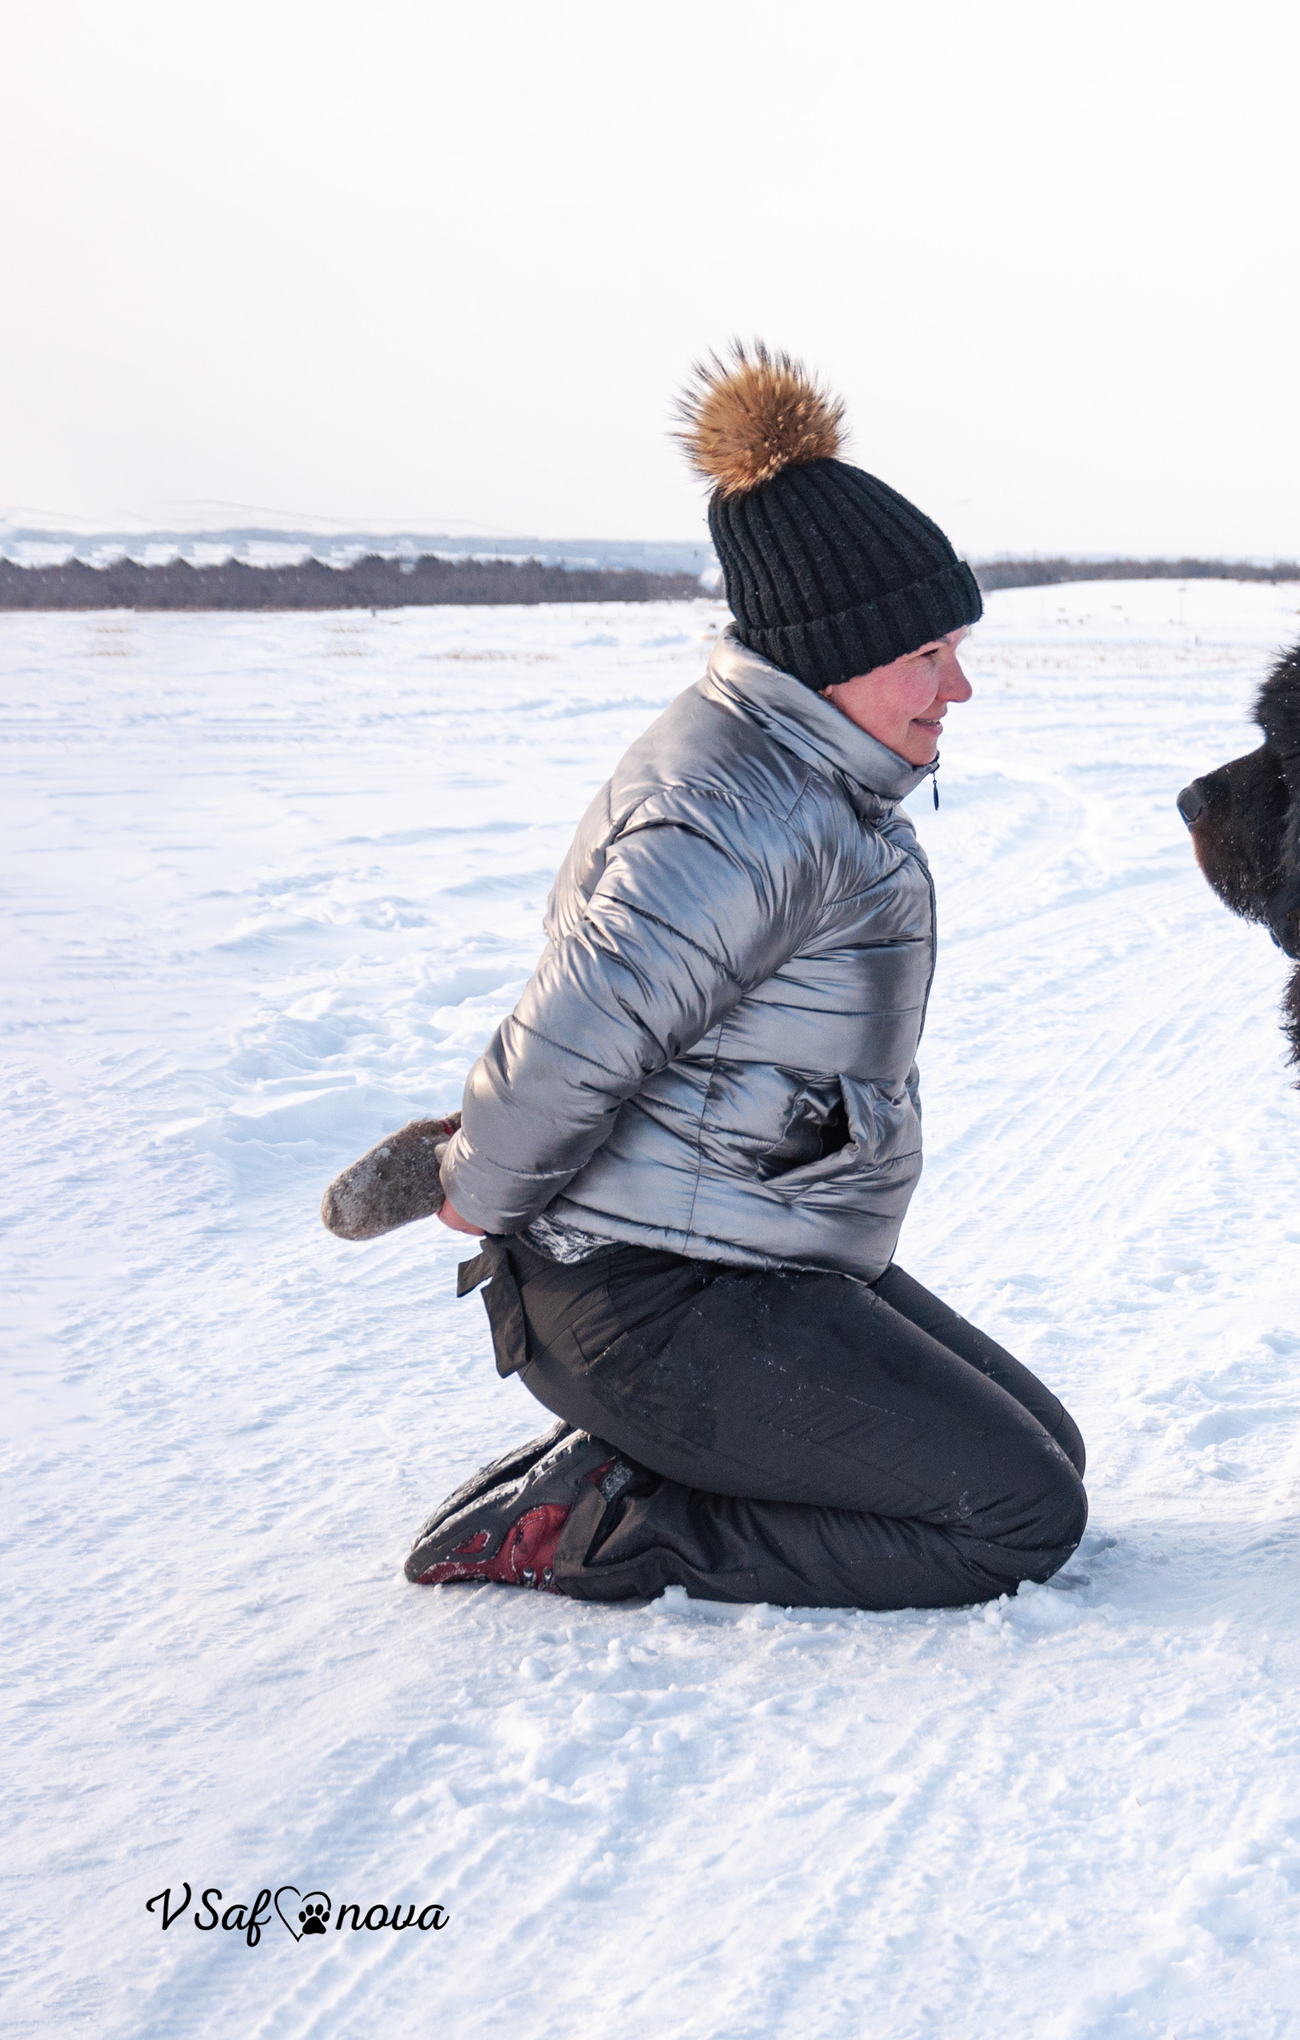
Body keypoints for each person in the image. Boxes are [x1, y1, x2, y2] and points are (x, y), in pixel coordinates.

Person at [403, 344, 1087, 1608]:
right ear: (839, 651)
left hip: (734, 1257)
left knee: (1046, 1456)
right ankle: (611, 1522)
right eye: (927, 651)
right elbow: (571, 1035)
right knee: (1013, 1517)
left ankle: (646, 1459)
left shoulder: (805, 778)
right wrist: (473, 1186)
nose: (959, 683)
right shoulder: (734, 812)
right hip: (637, 1290)